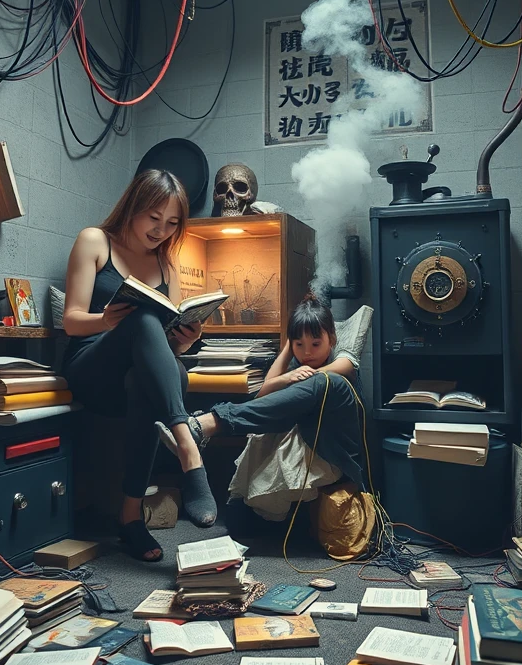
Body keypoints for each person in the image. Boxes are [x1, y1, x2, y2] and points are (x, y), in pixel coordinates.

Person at [62, 169, 215, 562]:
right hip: (92, 364)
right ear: (134, 206)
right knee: (143, 318)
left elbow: (161, 348)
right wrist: (107, 320)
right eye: (153, 218)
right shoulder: (95, 241)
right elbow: (71, 319)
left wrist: (185, 341)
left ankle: (130, 518)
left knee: (166, 371)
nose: (161, 230)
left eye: (172, 223)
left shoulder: (167, 266)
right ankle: (188, 449)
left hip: (135, 377)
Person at [162, 293, 366, 493]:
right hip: (307, 443)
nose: (307, 353)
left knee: (326, 381)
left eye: (315, 344)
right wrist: (288, 355)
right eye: (299, 345)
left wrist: (303, 373)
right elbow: (266, 392)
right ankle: (203, 426)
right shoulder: (297, 363)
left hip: (337, 448)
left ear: (331, 339)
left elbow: (345, 366)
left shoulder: (339, 356)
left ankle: (208, 423)